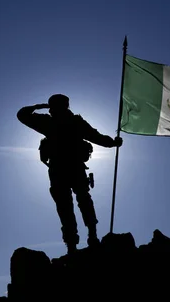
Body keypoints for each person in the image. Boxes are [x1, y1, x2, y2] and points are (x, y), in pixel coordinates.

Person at [17, 94, 122, 254]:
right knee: (73, 204)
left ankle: (82, 240)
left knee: (74, 204)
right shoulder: (59, 122)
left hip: (68, 169)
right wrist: (112, 143)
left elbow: (96, 137)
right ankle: (79, 241)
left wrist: (112, 143)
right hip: (65, 169)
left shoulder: (58, 122)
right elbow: (22, 115)